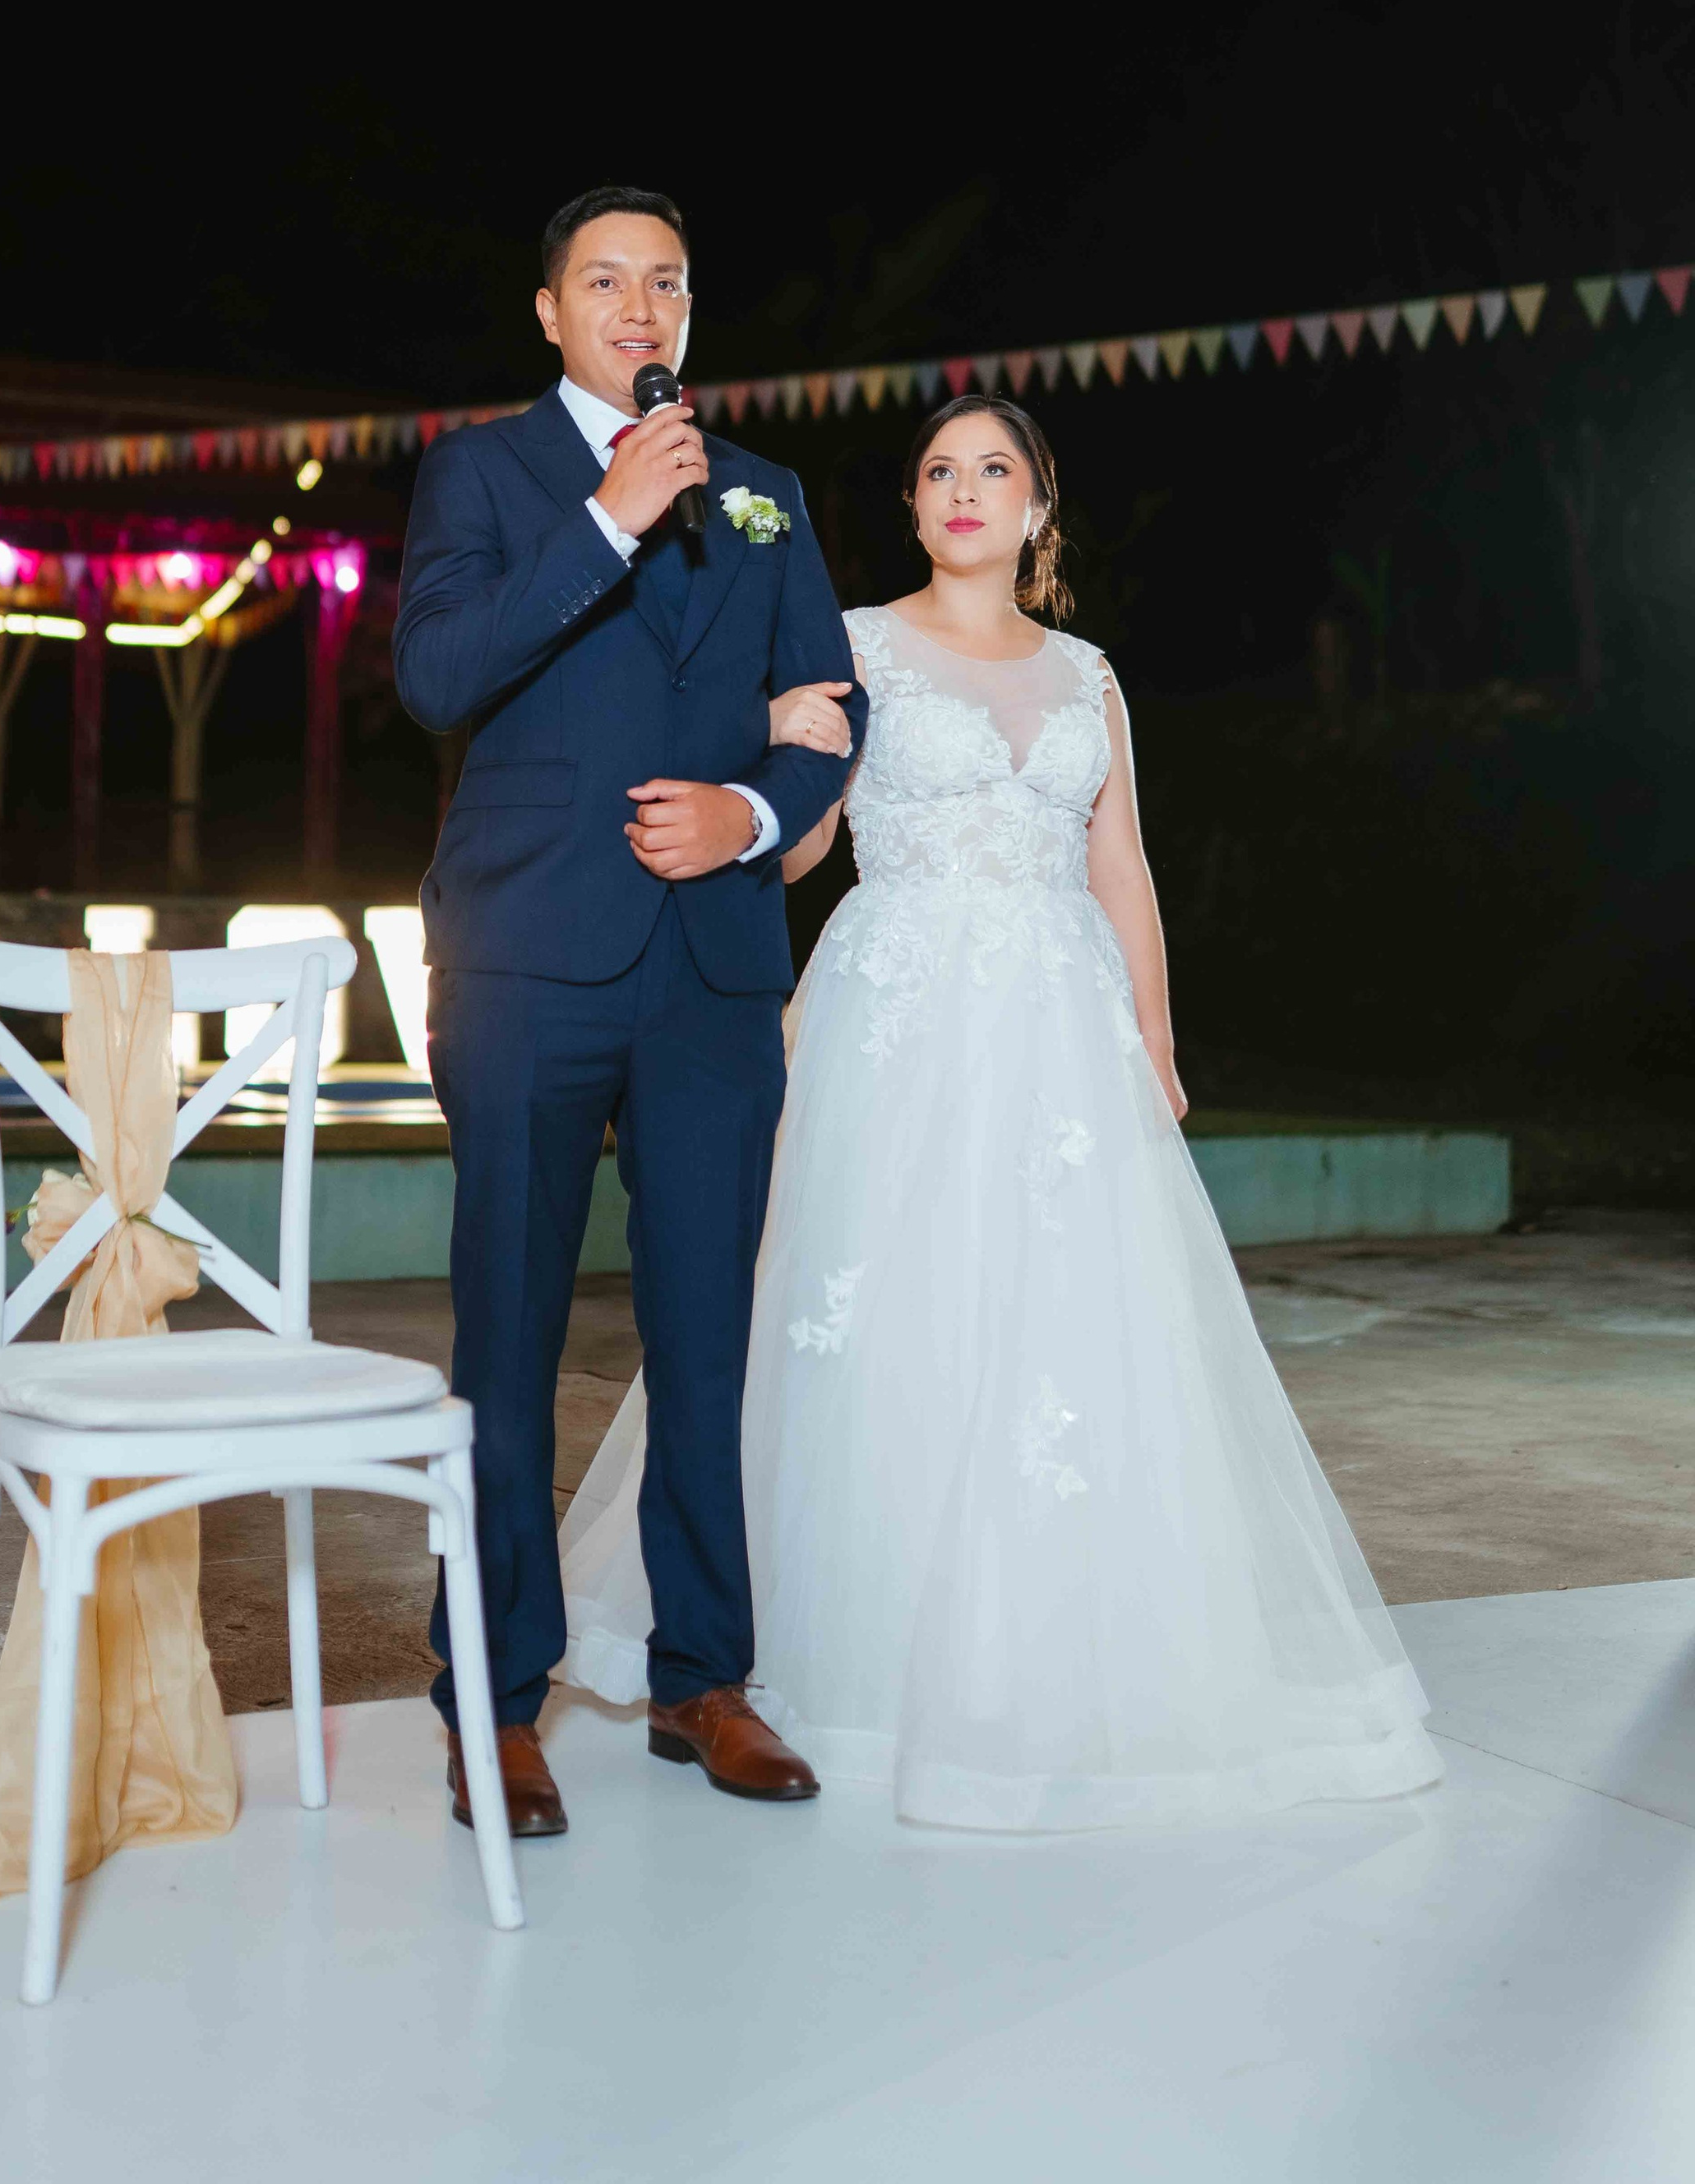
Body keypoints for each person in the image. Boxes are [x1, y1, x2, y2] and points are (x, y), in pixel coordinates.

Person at [561, 395, 1442, 1828]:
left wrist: (1154, 1043)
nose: (962, 490)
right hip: (897, 1010)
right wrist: (771, 754)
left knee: (1068, 1324)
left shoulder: (1091, 674)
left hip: (1061, 1024)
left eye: (993, 471)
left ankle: (1058, 1647)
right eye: (937, 473)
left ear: (1038, 508)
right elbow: (799, 857)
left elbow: (1126, 867)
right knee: (867, 1310)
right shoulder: (851, 643)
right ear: (913, 510)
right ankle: (784, 1649)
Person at [392, 184, 866, 1837]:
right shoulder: (484, 471)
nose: (639, 307)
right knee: (506, 1338)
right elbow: (438, 678)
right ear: (549, 312)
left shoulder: (764, 495)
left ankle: (701, 1680)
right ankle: (494, 1697)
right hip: (527, 956)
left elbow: (824, 711)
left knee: (702, 1340)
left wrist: (750, 813)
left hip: (713, 968)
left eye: (665, 281)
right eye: (606, 281)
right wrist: (600, 521)